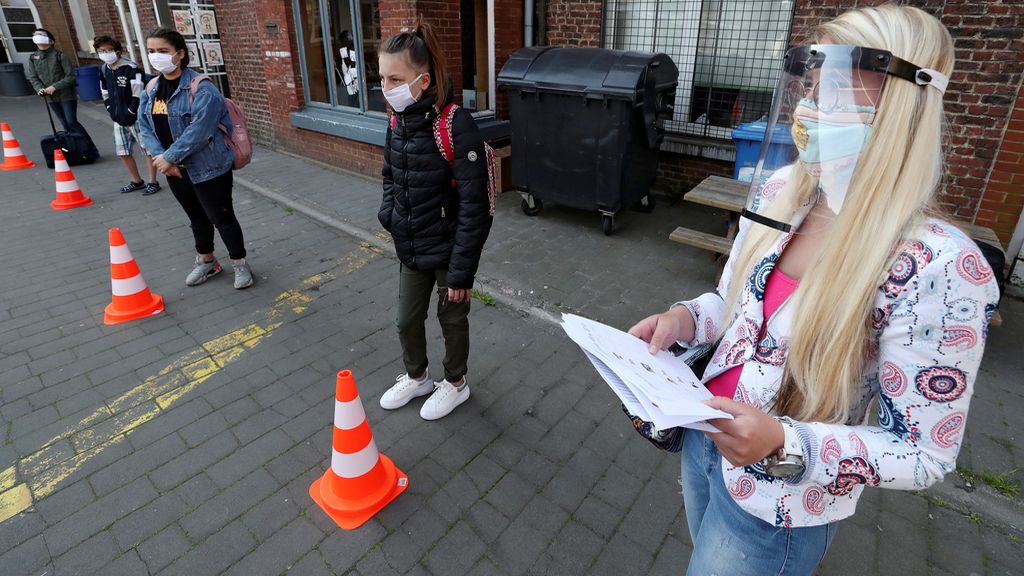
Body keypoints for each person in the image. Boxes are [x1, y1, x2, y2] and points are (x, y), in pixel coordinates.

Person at [627, 6, 999, 575]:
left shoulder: (938, 267)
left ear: (902, 109)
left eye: (842, 87)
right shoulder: (781, 190)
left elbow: (925, 453)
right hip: (703, 441)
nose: (812, 104)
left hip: (781, 502)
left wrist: (784, 442)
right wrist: (683, 320)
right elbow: (735, 306)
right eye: (812, 80)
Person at [376, 22, 492, 421]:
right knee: (406, 319)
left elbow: (476, 207)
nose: (386, 87)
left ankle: (455, 383)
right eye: (382, 77)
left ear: (422, 80)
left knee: (452, 319)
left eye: (395, 78)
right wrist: (389, 215)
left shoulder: (456, 124)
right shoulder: (397, 120)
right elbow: (390, 175)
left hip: (448, 248)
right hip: (411, 242)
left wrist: (461, 273)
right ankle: (418, 376)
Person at [137, 27, 253, 289]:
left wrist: (169, 157)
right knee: (196, 217)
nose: (156, 57)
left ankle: (240, 263)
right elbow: (144, 125)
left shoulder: (202, 89)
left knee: (222, 217)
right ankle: (207, 261)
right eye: (151, 51)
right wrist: (161, 159)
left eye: (163, 51)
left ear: (179, 54)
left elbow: (199, 131)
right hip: (173, 168)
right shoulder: (152, 88)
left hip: (209, 167)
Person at [94, 35, 161, 196]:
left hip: (136, 117)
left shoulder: (131, 68)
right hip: (118, 117)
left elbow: (138, 93)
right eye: (101, 51)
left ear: (118, 52)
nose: (105, 53)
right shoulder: (104, 69)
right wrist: (110, 108)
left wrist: (131, 111)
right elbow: (104, 91)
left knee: (147, 150)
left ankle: (153, 181)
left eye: (108, 50)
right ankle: (137, 180)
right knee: (123, 150)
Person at [26, 28, 100, 160]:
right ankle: (76, 149)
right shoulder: (33, 58)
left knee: (71, 122)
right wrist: (40, 88)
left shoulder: (60, 56)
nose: (38, 37)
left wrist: (55, 86)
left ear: (51, 41)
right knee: (65, 124)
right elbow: (33, 77)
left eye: (42, 35)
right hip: (50, 97)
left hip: (66, 95)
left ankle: (91, 148)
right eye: (35, 35)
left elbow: (70, 76)